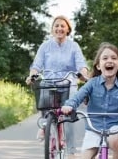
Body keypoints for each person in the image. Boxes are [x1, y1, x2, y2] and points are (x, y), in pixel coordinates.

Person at [61, 42, 118, 159]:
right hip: (93, 128)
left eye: (114, 58)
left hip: (114, 128)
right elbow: (77, 97)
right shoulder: (91, 83)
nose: (109, 60)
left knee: (114, 140)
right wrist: (69, 106)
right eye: (105, 58)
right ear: (98, 66)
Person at [25, 15, 89, 157]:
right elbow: (36, 65)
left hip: (68, 83)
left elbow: (81, 65)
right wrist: (32, 75)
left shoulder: (74, 46)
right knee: (44, 100)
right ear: (52, 29)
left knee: (68, 118)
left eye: (62, 26)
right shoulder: (45, 46)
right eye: (57, 25)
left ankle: (71, 152)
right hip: (50, 83)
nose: (59, 28)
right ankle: (45, 124)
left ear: (67, 29)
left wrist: (84, 75)